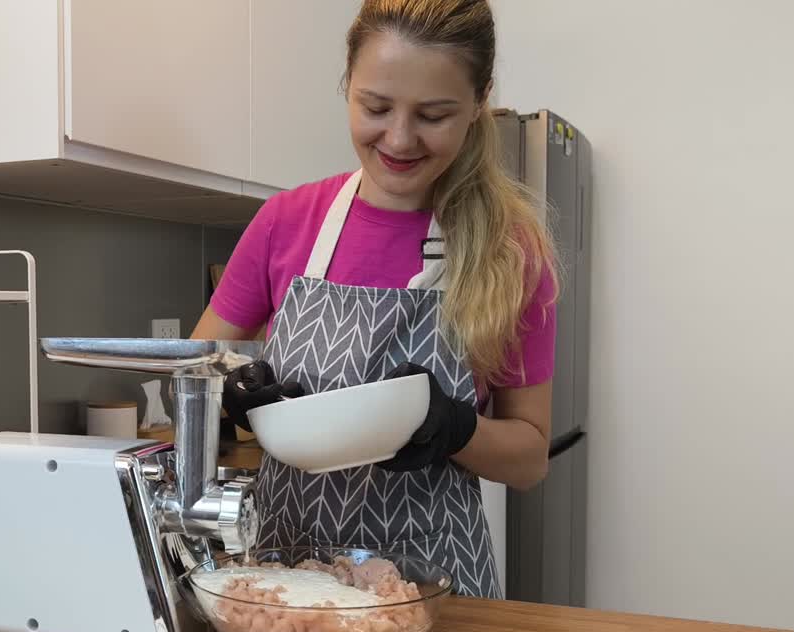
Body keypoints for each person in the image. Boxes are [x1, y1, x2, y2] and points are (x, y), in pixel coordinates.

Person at [191, 0, 557, 598]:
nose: (399, 138)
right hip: (290, 586)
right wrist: (230, 395)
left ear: (479, 101)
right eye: (376, 107)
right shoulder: (286, 221)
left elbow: (530, 460)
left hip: (441, 590)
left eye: (434, 115)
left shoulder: (510, 249)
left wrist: (456, 428)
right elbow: (192, 379)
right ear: (347, 86)